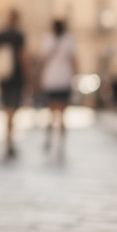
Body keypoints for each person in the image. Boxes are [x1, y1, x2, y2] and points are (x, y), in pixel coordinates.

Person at [0, 9, 27, 158]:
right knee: (12, 110)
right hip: (16, 77)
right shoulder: (19, 36)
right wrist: (29, 76)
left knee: (8, 110)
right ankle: (10, 139)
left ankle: (8, 139)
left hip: (4, 77)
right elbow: (23, 57)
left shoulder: (0, 35)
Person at [37, 19, 77, 149]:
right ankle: (61, 143)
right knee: (63, 115)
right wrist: (75, 76)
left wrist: (38, 77)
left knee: (50, 113)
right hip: (64, 80)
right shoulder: (68, 40)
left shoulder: (48, 40)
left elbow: (42, 61)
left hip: (50, 80)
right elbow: (73, 60)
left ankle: (48, 138)